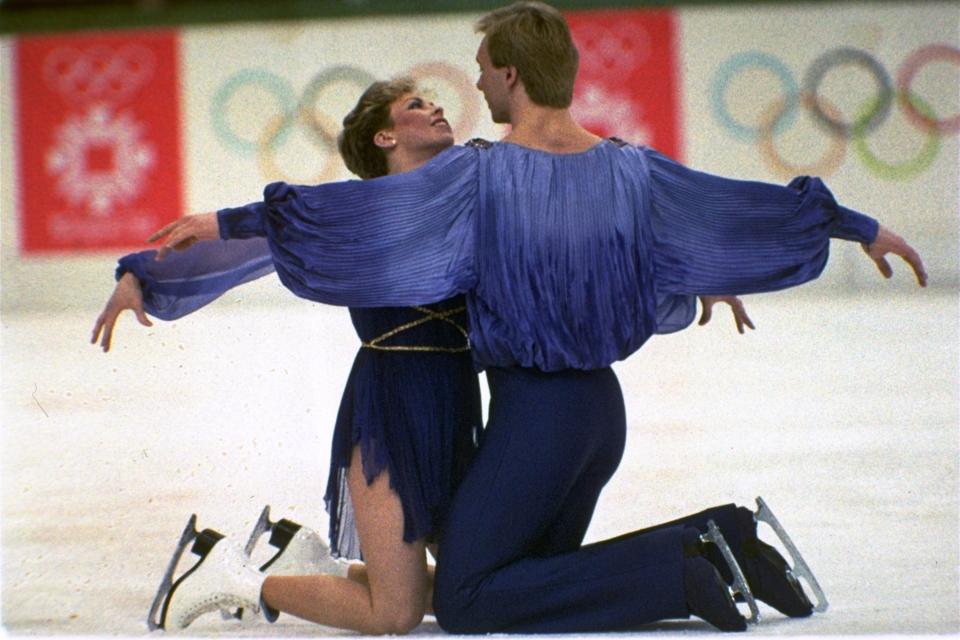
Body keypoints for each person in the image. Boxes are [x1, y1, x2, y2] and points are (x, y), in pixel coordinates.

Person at [132, 1, 927, 633]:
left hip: (531, 416)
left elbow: (344, 219)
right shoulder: (631, 168)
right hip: (598, 415)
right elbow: (731, 211)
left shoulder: (477, 178)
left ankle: (682, 565)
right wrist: (850, 225)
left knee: (474, 601)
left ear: (510, 74)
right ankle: (728, 540)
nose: (473, 88)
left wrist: (230, 221)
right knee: (515, 584)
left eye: (481, 72)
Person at [94, 78, 486, 634]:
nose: (436, 106)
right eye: (415, 106)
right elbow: (260, 237)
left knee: (477, 592)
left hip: (456, 401)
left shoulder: (462, 193)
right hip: (391, 406)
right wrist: (142, 274)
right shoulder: (352, 213)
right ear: (384, 137)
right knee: (392, 614)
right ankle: (233, 578)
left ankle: (312, 567)